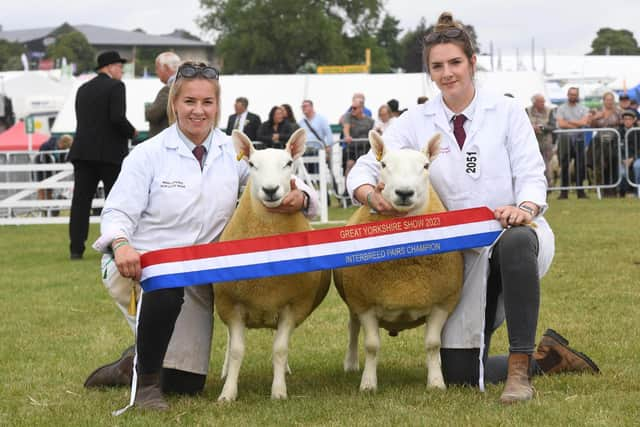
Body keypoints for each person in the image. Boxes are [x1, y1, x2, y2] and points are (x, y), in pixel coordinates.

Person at [347, 11, 599, 404]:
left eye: (455, 63)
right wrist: (367, 193)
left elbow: (533, 175)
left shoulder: (508, 111)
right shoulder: (415, 120)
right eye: (437, 66)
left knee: (515, 240)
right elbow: (366, 166)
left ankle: (519, 371)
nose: (447, 73)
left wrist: (526, 208)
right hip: (457, 257)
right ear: (429, 72)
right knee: (461, 374)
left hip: (512, 235)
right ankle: (547, 356)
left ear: (472, 62)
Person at [87, 62, 320, 410]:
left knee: (186, 385)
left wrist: (300, 196)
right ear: (174, 104)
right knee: (165, 291)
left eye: (207, 102)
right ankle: (147, 386)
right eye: (190, 102)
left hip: (199, 273)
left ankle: (131, 361)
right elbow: (117, 212)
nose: (198, 111)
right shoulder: (147, 155)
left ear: (217, 106)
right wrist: (121, 245)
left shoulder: (231, 151)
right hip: (144, 267)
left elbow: (268, 174)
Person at [68, 51, 137, 260]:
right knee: (114, 202)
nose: (121, 71)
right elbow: (117, 118)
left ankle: (76, 248)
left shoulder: (83, 89)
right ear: (108, 67)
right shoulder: (116, 87)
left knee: (80, 202)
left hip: (83, 152)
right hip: (109, 154)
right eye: (119, 67)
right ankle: (113, 244)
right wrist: (131, 131)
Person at [555, 87, 590, 199]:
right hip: (565, 139)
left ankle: (581, 192)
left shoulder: (583, 108)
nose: (572, 96)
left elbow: (584, 122)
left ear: (577, 95)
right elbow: (561, 124)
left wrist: (568, 122)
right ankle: (563, 192)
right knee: (564, 165)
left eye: (574, 94)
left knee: (580, 165)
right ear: (567, 95)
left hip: (579, 139)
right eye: (571, 94)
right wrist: (576, 124)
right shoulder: (561, 108)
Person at [589, 91, 622, 196]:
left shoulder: (618, 112)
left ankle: (612, 190)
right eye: (607, 100)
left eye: (611, 100)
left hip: (614, 142)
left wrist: (617, 122)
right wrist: (595, 118)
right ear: (603, 101)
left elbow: (623, 123)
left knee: (612, 166)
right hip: (600, 143)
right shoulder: (598, 111)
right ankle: (602, 190)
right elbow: (592, 126)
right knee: (601, 166)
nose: (609, 102)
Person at [144, 52, 181, 139]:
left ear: (166, 67)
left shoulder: (168, 90)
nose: (156, 72)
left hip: (166, 140)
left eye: (157, 68)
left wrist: (148, 109)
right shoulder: (185, 85)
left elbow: (152, 115)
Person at [526, 94, 555, 186]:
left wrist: (541, 128)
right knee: (531, 164)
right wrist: (532, 128)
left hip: (545, 142)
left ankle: (548, 184)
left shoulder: (550, 111)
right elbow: (522, 124)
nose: (543, 103)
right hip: (530, 142)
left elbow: (553, 126)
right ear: (534, 103)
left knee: (546, 164)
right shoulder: (527, 111)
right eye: (540, 102)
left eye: (543, 101)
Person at [342, 97, 374, 181]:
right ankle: (347, 189)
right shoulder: (348, 116)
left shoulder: (370, 121)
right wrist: (347, 136)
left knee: (365, 167)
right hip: (352, 147)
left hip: (365, 148)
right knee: (349, 164)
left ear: (361, 108)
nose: (352, 110)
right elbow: (346, 127)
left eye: (355, 108)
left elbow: (372, 132)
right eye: (351, 107)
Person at [34, 134, 73, 200]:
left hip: (51, 172)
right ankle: (43, 207)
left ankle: (48, 207)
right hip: (42, 169)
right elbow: (41, 157)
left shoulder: (61, 149)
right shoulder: (47, 145)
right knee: (42, 189)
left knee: (49, 190)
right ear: (62, 143)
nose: (65, 149)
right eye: (65, 147)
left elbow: (63, 160)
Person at [620, 109, 640, 196]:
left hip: (637, 157)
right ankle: (622, 193)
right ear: (622, 120)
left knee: (637, 166)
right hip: (621, 159)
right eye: (625, 119)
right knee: (622, 172)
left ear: (634, 120)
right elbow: (615, 148)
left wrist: (632, 158)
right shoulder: (618, 132)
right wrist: (622, 159)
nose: (627, 121)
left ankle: (637, 191)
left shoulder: (638, 131)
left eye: (629, 119)